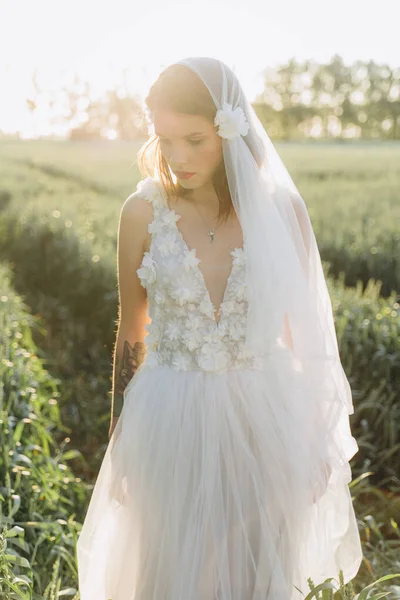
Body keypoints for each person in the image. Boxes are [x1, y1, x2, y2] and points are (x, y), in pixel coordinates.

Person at [77, 57, 363, 600]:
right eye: (165, 140)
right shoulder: (141, 212)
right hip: (168, 418)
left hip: (265, 417)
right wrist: (120, 442)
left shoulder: (283, 212)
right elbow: (131, 334)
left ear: (231, 130)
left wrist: (317, 441)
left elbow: (306, 341)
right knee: (167, 568)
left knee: (258, 570)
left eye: (195, 139)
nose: (178, 158)